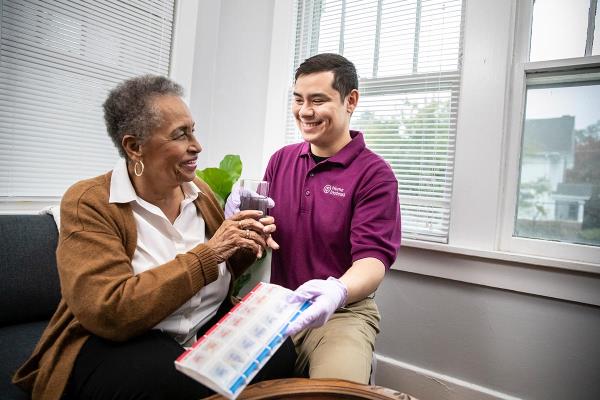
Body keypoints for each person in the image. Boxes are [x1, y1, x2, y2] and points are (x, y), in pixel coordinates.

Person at [12, 75, 295, 400]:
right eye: (180, 134)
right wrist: (211, 252)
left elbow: (224, 269)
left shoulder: (198, 191)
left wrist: (244, 242)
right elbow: (110, 311)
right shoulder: (89, 201)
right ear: (135, 147)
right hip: (120, 341)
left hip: (197, 330)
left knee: (281, 350)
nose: (197, 145)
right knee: (168, 380)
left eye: (193, 129)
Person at [226, 53, 401, 384]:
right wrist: (239, 217)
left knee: (337, 392)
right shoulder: (281, 161)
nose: (305, 111)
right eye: (298, 100)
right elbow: (263, 236)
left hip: (341, 313)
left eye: (318, 100)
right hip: (279, 308)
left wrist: (336, 292)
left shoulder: (374, 175)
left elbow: (373, 261)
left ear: (351, 101)